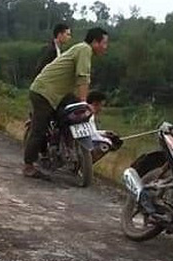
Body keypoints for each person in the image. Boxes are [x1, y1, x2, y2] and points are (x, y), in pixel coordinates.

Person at [23, 27, 109, 179]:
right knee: (39, 129)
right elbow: (82, 77)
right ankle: (28, 166)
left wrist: (82, 103)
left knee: (70, 115)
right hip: (44, 91)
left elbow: (79, 81)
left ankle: (67, 145)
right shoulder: (84, 50)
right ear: (95, 42)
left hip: (58, 93)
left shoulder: (82, 50)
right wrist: (83, 103)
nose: (105, 47)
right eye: (104, 43)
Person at [86, 90, 123, 163]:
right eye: (101, 105)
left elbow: (91, 132)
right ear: (95, 103)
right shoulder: (87, 114)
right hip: (84, 144)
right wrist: (108, 141)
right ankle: (84, 165)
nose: (101, 109)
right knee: (105, 145)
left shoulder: (86, 112)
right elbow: (91, 136)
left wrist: (105, 133)